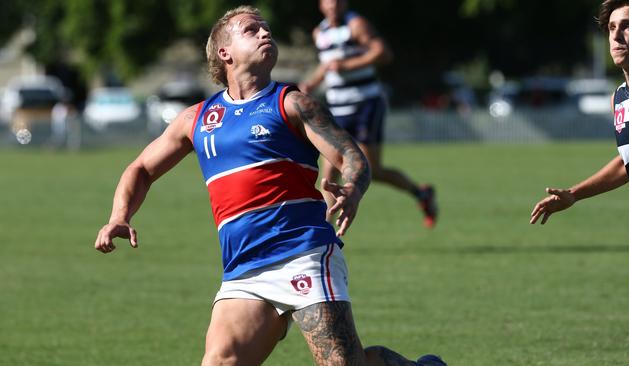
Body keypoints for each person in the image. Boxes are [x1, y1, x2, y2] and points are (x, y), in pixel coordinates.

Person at [94, 6, 446, 366]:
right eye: (251, 30)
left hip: (303, 253)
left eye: (267, 29)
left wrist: (354, 187)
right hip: (244, 268)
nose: (265, 33)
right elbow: (140, 168)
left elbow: (352, 157)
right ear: (224, 52)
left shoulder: (292, 103)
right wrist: (119, 215)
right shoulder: (196, 119)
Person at [530, 0, 629, 350]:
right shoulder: (621, 99)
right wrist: (574, 194)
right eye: (611, 28)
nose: (617, 36)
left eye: (628, 26)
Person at [299, 0, 438, 228]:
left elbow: (383, 53)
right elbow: (328, 65)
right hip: (337, 108)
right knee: (329, 173)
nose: (333, 4)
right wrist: (311, 84)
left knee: (371, 170)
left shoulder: (356, 24)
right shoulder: (319, 32)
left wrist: (349, 65)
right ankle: (323, 232)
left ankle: (421, 193)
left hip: (366, 104)